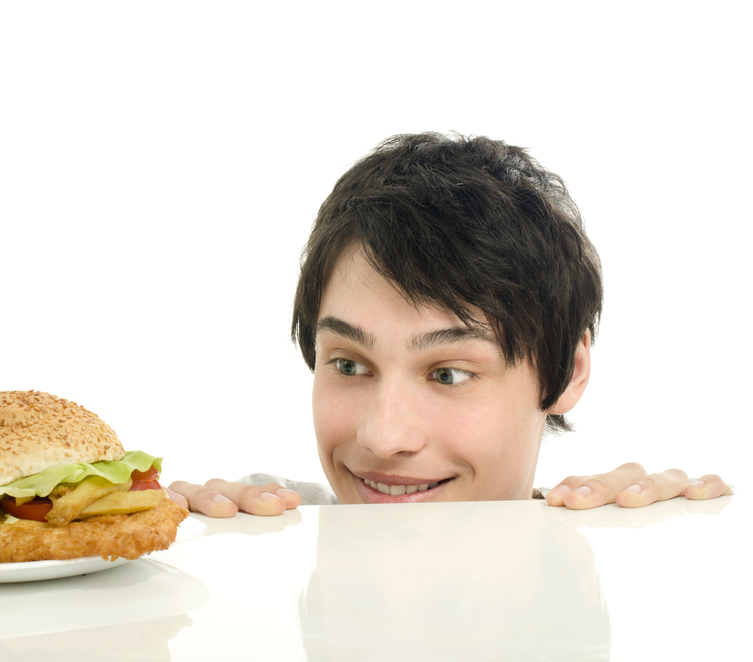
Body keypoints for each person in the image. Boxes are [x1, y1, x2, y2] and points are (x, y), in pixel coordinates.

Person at [169, 132, 731, 516]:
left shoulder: (613, 553)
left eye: (448, 374)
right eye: (347, 364)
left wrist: (659, 554)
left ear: (567, 372)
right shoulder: (261, 539)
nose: (383, 438)